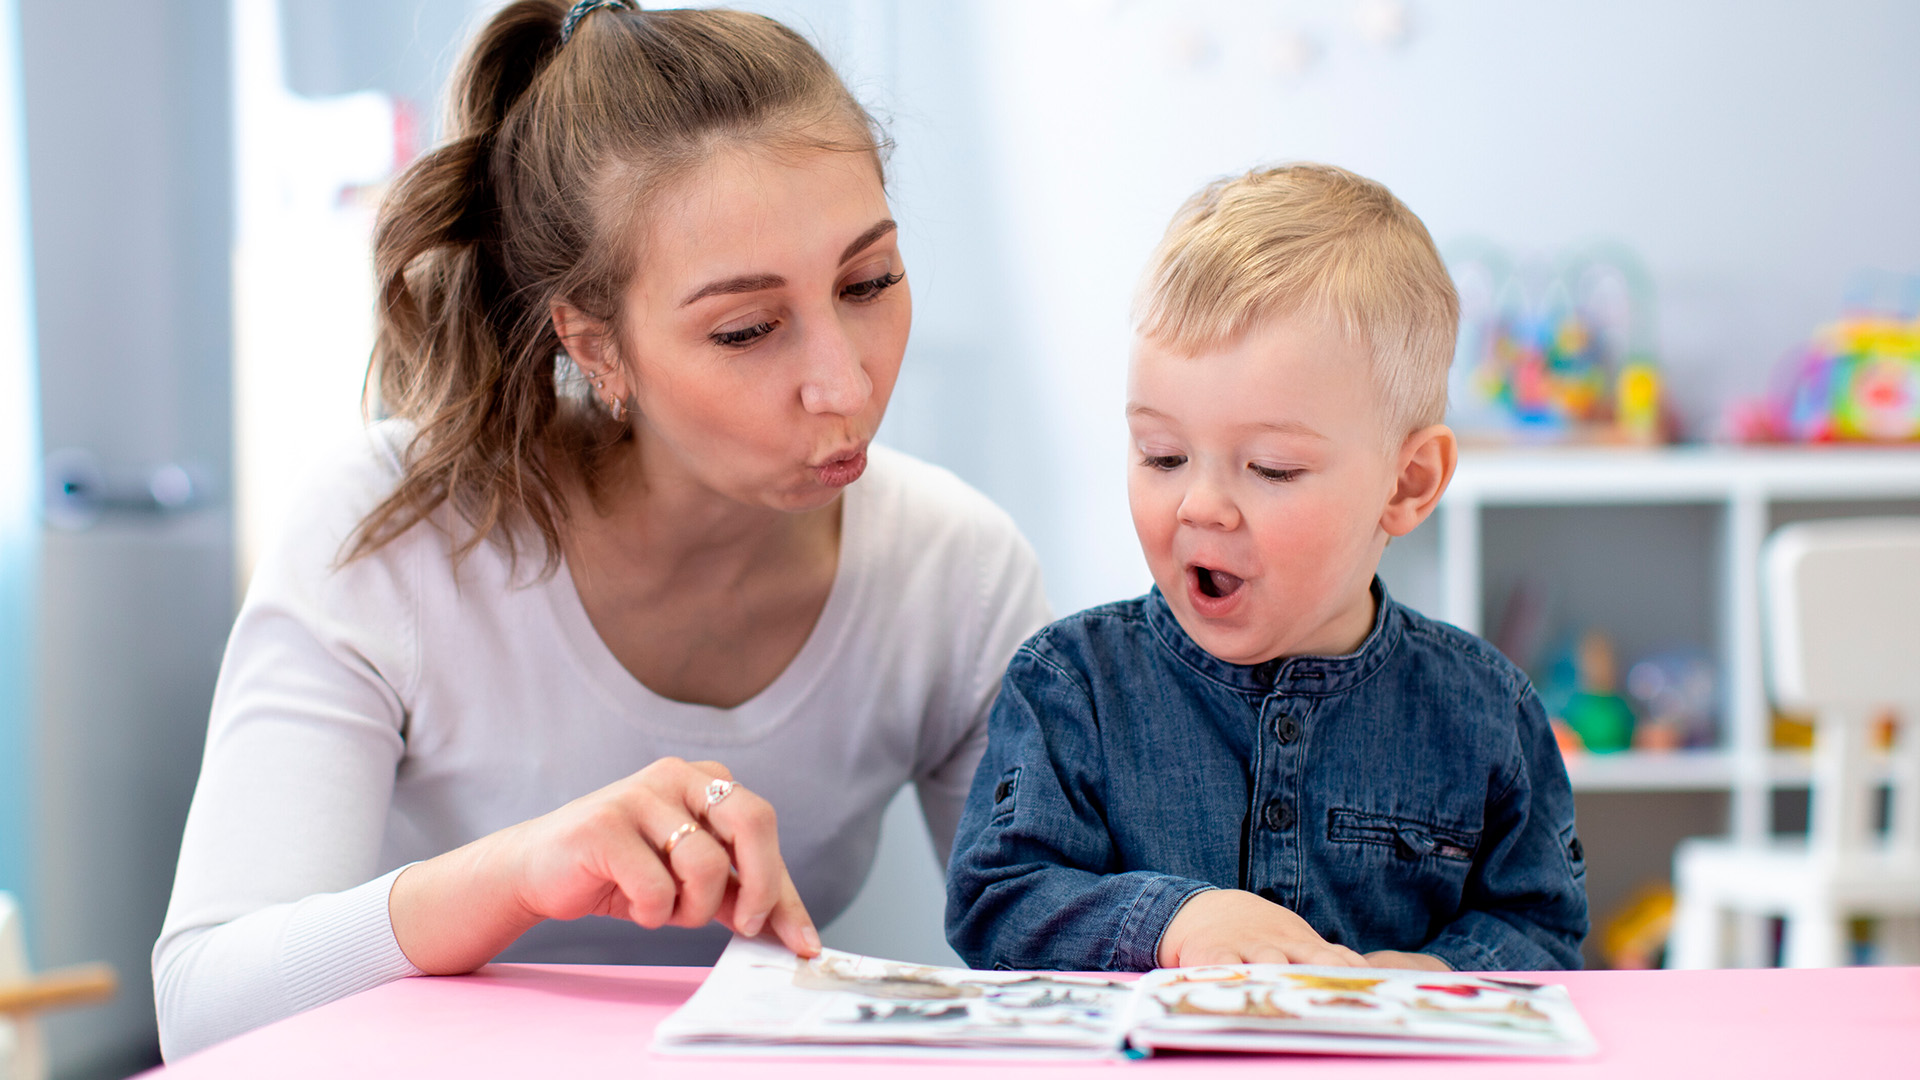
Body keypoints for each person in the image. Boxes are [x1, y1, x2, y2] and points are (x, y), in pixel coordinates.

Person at [153, 0, 1049, 1060]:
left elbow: (1044, 963)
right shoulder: (390, 532)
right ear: (596, 343)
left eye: (870, 282)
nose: (844, 382)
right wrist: (521, 871)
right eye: (748, 329)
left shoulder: (955, 569)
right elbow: (203, 1002)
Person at [945, 163, 1587, 973]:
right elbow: (995, 903)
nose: (1201, 506)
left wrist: (1435, 978)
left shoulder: (1484, 712)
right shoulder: (1072, 686)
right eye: (1163, 454)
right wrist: (1175, 922)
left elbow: (1541, 926)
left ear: (1408, 482)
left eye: (1273, 468)